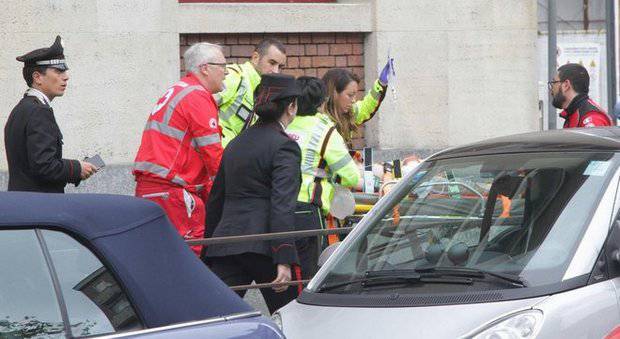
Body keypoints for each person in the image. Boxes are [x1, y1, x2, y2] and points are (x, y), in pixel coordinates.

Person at [203, 73, 301, 314]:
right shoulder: (284, 145)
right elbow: (282, 204)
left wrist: (209, 252)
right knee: (291, 316)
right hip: (265, 245)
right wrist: (284, 257)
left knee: (216, 318)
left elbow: (216, 200)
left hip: (227, 243)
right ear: (291, 107)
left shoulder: (236, 143)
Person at [133, 42, 226, 256]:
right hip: (173, 191)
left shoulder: (179, 90)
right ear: (205, 68)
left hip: (154, 188)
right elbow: (213, 156)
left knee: (159, 255)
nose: (226, 72)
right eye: (222, 66)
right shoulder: (197, 96)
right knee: (188, 257)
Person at [286, 76, 361, 280]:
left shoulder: (282, 124)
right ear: (321, 103)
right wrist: (334, 178)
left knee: (284, 273)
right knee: (307, 274)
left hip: (276, 206)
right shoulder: (324, 130)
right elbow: (353, 177)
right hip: (306, 209)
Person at [4, 36, 97, 193]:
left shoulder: (22, 108)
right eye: (58, 71)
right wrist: (77, 168)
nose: (66, 76)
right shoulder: (39, 111)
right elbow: (44, 166)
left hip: (23, 203)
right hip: (40, 206)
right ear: (37, 77)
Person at [216, 38, 287, 147]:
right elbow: (200, 108)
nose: (276, 71)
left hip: (229, 155)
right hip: (212, 153)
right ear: (255, 57)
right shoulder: (234, 76)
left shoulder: (261, 88)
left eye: (280, 66)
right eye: (272, 63)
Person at [322, 58, 394, 146]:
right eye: (350, 95)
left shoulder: (349, 112)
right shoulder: (319, 122)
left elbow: (366, 107)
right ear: (334, 93)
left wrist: (381, 84)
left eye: (355, 95)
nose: (354, 100)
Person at [548, 63, 612, 128]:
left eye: (554, 83)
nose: (551, 88)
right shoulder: (572, 113)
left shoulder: (592, 118)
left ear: (566, 85)